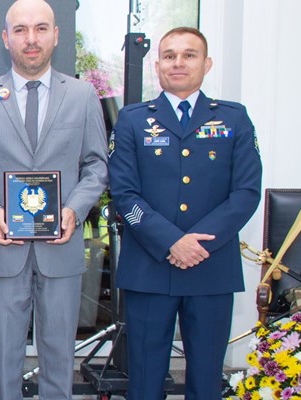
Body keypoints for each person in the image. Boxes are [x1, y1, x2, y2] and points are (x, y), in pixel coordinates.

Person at [0, 0, 108, 398]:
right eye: (21, 30)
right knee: (4, 358)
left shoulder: (82, 95)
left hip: (61, 247)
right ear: (6, 38)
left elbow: (97, 166)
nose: (31, 39)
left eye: (41, 29)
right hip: (4, 245)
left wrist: (74, 210)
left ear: (56, 36)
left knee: (60, 356)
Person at [108, 27, 262, 399]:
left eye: (189, 55)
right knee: (143, 380)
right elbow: (124, 194)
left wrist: (196, 244)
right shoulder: (131, 120)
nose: (178, 62)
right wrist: (172, 242)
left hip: (210, 268)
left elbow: (246, 192)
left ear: (206, 64)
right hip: (149, 268)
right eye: (170, 55)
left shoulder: (233, 118)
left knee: (207, 379)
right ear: (158, 65)